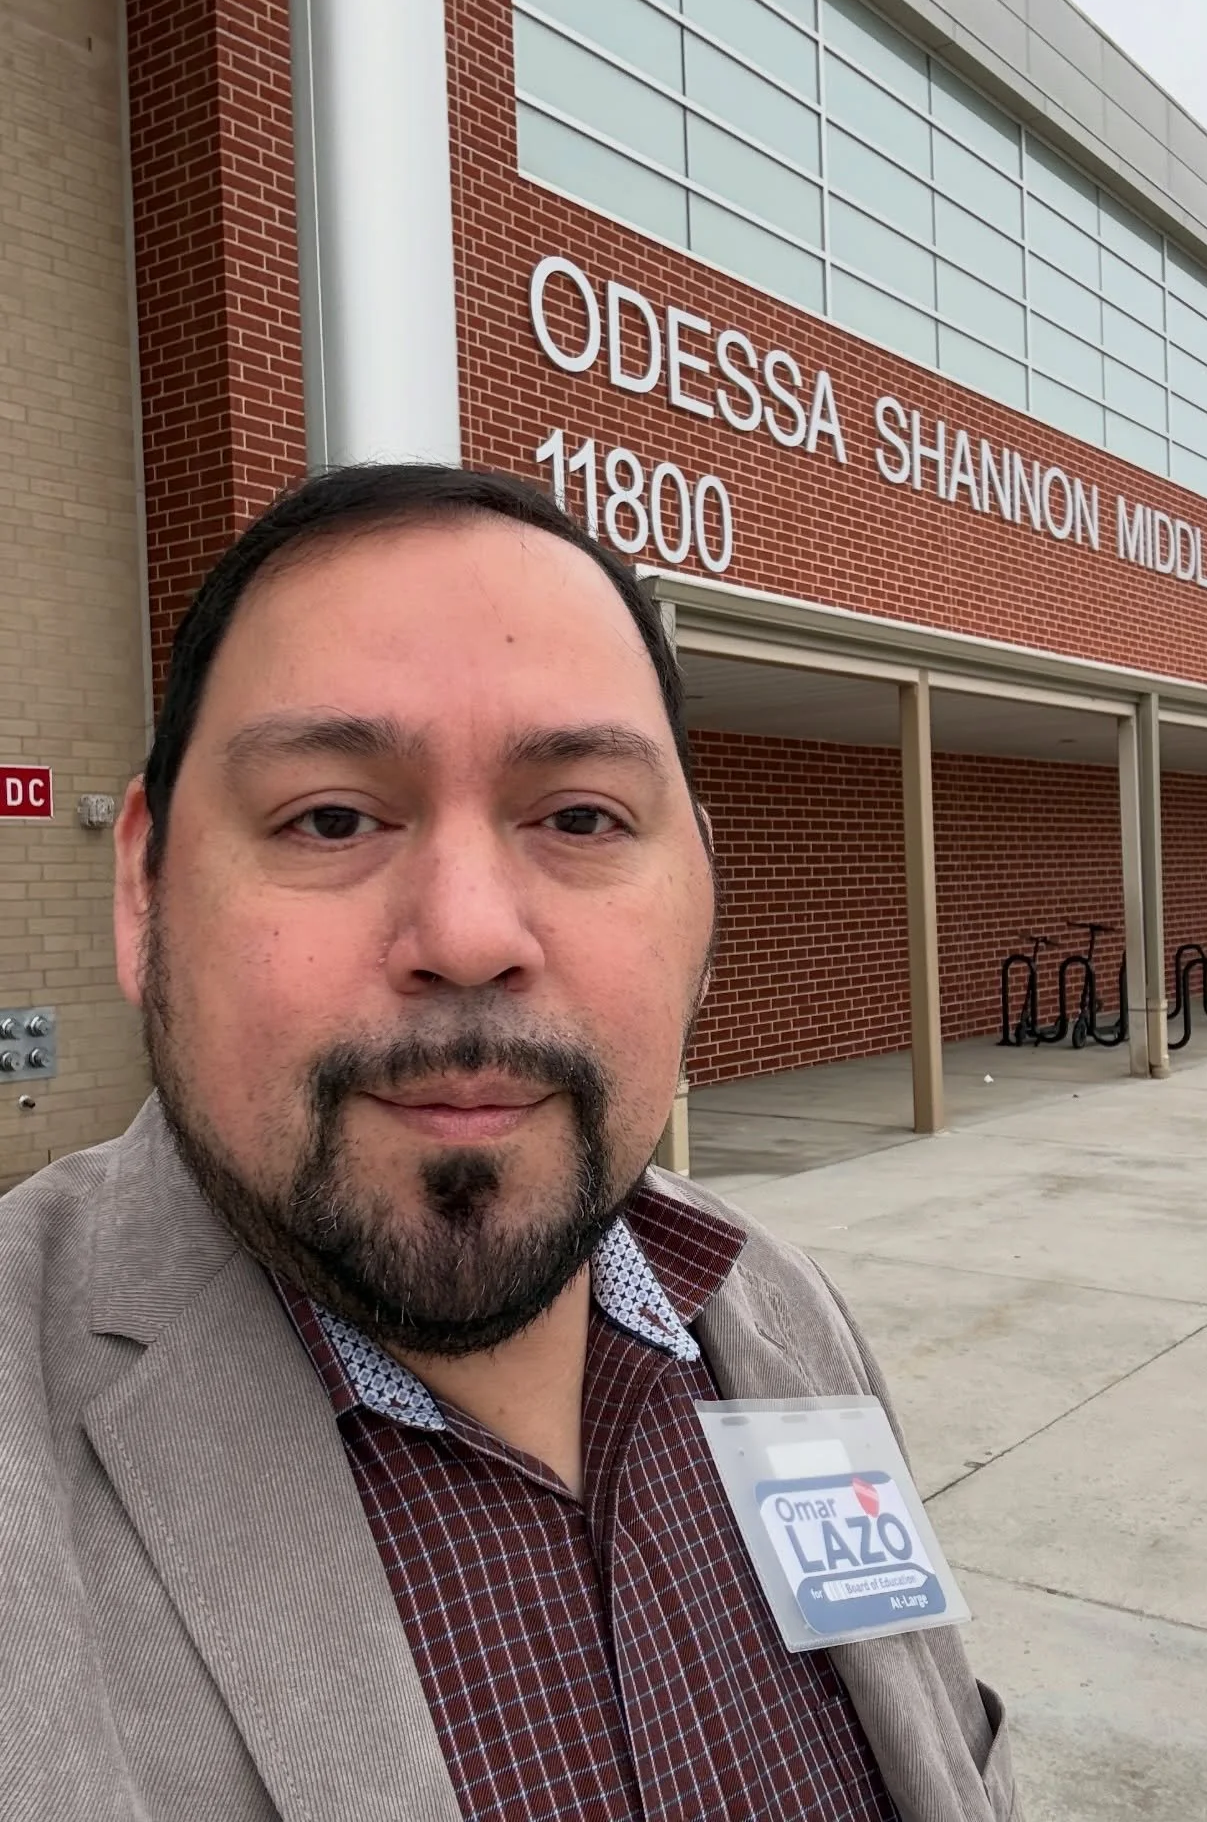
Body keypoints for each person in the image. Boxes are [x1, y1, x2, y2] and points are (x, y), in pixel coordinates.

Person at [0, 465, 1020, 1822]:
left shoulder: (777, 1309)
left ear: (702, 898)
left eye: (583, 818)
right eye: (332, 817)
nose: (471, 933)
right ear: (144, 888)